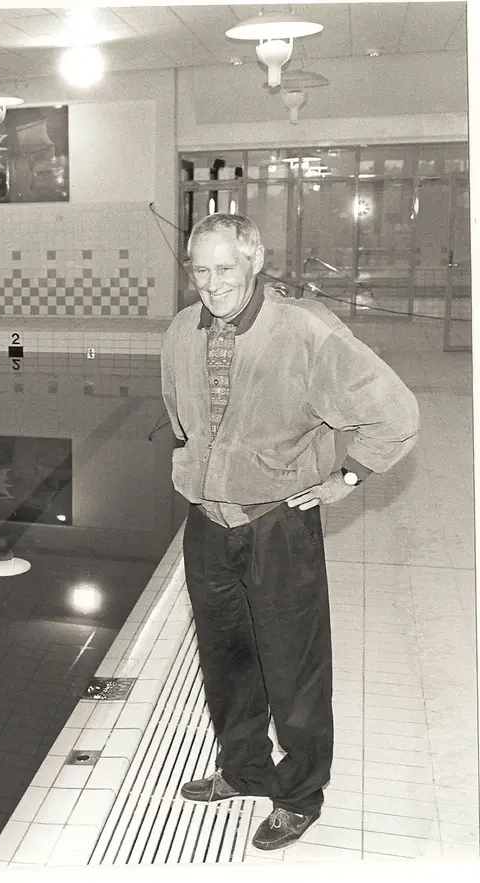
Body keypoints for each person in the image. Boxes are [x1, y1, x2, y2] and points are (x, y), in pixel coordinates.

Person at [160, 213, 419, 851]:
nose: (212, 283)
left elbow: (394, 413)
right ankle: (244, 768)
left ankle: (300, 794)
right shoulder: (181, 331)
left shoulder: (306, 331)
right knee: (225, 658)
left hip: (277, 524)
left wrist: (347, 477)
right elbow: (180, 415)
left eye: (225, 267)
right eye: (200, 269)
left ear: (254, 260)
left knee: (293, 667)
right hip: (206, 524)